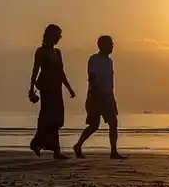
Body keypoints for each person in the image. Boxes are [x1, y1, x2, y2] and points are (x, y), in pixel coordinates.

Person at [29, 24, 75, 159]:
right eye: (57, 35)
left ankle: (37, 142)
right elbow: (35, 70)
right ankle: (55, 150)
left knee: (58, 120)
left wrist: (69, 87)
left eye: (60, 35)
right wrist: (31, 89)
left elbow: (61, 72)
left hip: (57, 89)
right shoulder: (41, 52)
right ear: (50, 35)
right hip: (46, 89)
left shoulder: (58, 52)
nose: (59, 38)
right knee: (48, 119)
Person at [73, 35, 124, 159]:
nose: (112, 46)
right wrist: (97, 94)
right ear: (101, 45)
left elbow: (109, 81)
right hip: (95, 96)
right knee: (94, 125)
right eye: (109, 44)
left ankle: (113, 151)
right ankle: (78, 145)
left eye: (112, 44)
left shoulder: (109, 62)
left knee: (113, 122)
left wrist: (111, 97)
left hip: (108, 97)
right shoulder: (94, 59)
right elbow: (92, 78)